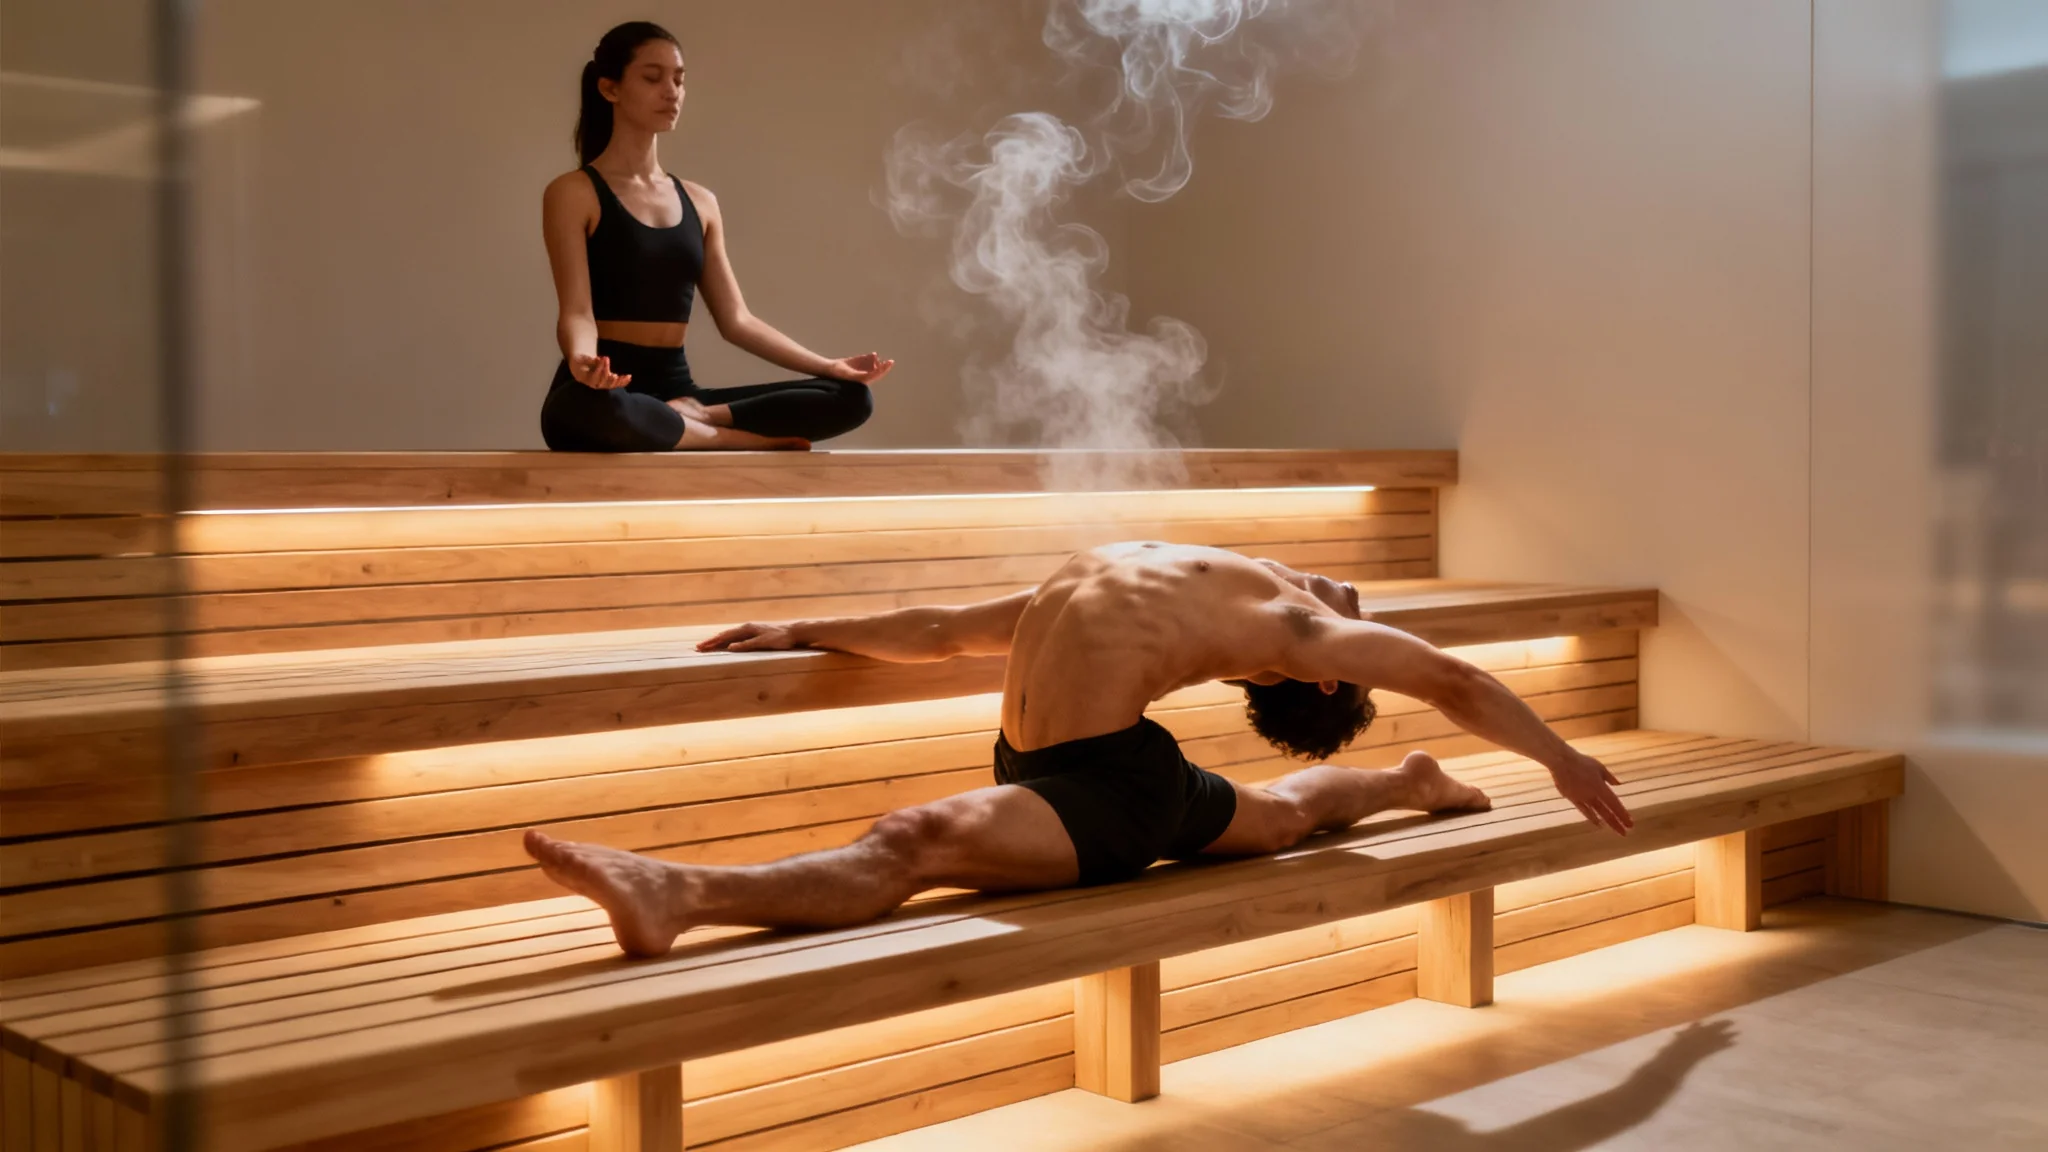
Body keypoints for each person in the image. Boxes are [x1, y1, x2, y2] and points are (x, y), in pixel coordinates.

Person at [526, 542, 1636, 957]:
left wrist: (1560, 760)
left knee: (911, 839)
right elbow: (939, 630)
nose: (1354, 595)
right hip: (1082, 772)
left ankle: (679, 893)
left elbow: (1452, 678)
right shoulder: (1200, 581)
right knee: (1275, 817)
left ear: (1319, 676)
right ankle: (1405, 780)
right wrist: (805, 627)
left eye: (1360, 611)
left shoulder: (1298, 631)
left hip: (1111, 783)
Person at [540, 21, 895, 452]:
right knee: (582, 408)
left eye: (679, 79)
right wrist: (582, 361)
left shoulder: (700, 201)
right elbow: (578, 312)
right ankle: (732, 440)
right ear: (610, 89)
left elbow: (737, 321)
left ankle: (700, 421)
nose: (671, 92)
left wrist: (828, 366)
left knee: (851, 397)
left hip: (680, 394)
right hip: (607, 390)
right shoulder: (574, 193)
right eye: (652, 78)